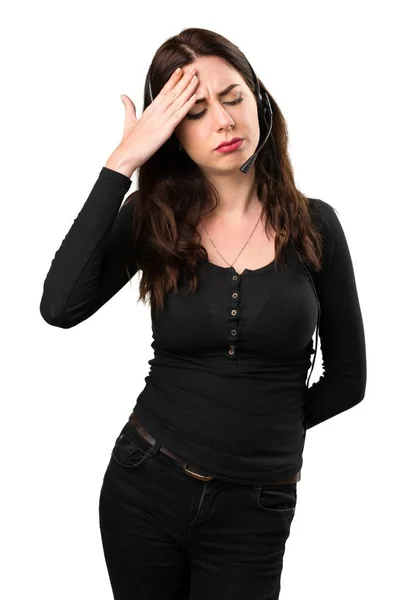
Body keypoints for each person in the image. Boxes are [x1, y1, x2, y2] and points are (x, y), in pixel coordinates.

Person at [39, 27, 367, 600]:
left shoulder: (317, 227)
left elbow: (348, 381)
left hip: (256, 506)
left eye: (233, 96)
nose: (223, 120)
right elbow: (59, 307)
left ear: (259, 99)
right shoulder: (154, 218)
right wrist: (122, 162)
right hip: (144, 484)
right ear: (172, 134)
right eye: (194, 110)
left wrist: (258, 435)